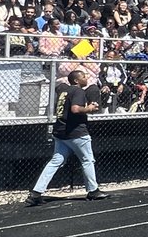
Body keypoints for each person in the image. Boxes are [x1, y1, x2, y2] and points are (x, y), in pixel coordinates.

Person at [25, 69, 106, 205]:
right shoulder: (78, 91)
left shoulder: (64, 92)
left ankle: (36, 192)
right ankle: (93, 190)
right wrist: (89, 109)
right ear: (76, 80)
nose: (86, 79)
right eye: (84, 77)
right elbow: (75, 109)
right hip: (76, 132)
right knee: (87, 160)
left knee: (56, 161)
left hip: (60, 131)